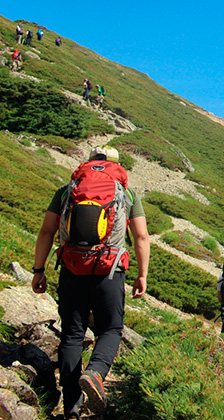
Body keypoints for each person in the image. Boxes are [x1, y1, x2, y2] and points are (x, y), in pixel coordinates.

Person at [32, 146, 150, 419]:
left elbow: (47, 231)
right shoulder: (127, 193)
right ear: (116, 165)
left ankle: (71, 405)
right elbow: (141, 236)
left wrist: (38, 270)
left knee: (72, 335)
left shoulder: (67, 191)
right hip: (109, 272)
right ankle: (96, 372)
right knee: (110, 329)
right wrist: (142, 274)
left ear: (89, 162)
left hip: (72, 269)